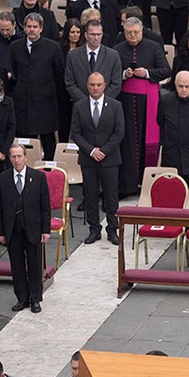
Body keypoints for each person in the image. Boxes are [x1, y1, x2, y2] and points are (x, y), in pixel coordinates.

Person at [113, 16, 169, 195]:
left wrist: (146, 73)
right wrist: (124, 74)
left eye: (136, 32)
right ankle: (127, 185)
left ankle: (146, 184)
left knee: (146, 141)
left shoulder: (153, 47)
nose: (132, 35)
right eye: (129, 32)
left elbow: (166, 70)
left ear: (142, 31)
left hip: (148, 102)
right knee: (127, 142)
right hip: (125, 102)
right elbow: (110, 72)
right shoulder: (117, 50)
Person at [0, 144, 51, 313]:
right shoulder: (2, 179)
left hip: (33, 228)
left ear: (26, 157)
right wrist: (0, 232)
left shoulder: (38, 177)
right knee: (17, 265)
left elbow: (45, 207)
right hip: (13, 229)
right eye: (13, 157)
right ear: (10, 158)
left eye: (19, 156)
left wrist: (45, 230)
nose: (17, 160)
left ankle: (35, 299)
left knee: (34, 264)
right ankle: (21, 298)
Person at [71, 71, 124, 246]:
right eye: (92, 85)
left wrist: (104, 151)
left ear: (104, 85)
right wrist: (92, 151)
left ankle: (112, 229)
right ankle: (94, 230)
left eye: (99, 84)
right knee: (91, 196)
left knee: (111, 195)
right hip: (88, 159)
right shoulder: (79, 106)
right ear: (87, 86)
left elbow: (119, 132)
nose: (95, 88)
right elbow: (76, 134)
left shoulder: (116, 105)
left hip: (110, 159)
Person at [8, 12, 64, 160]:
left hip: (46, 102)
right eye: (29, 26)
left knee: (48, 139)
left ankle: (49, 171)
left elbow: (59, 74)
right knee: (24, 140)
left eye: (35, 27)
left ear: (41, 28)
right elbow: (14, 70)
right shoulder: (15, 47)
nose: (32, 29)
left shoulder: (53, 47)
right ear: (24, 28)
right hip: (23, 101)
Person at [63, 19, 123, 106]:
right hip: (81, 106)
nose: (96, 38)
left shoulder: (113, 55)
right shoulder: (73, 55)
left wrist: (101, 101)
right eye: (92, 34)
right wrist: (85, 102)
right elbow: (70, 83)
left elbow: (116, 84)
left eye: (99, 34)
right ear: (86, 35)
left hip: (106, 106)